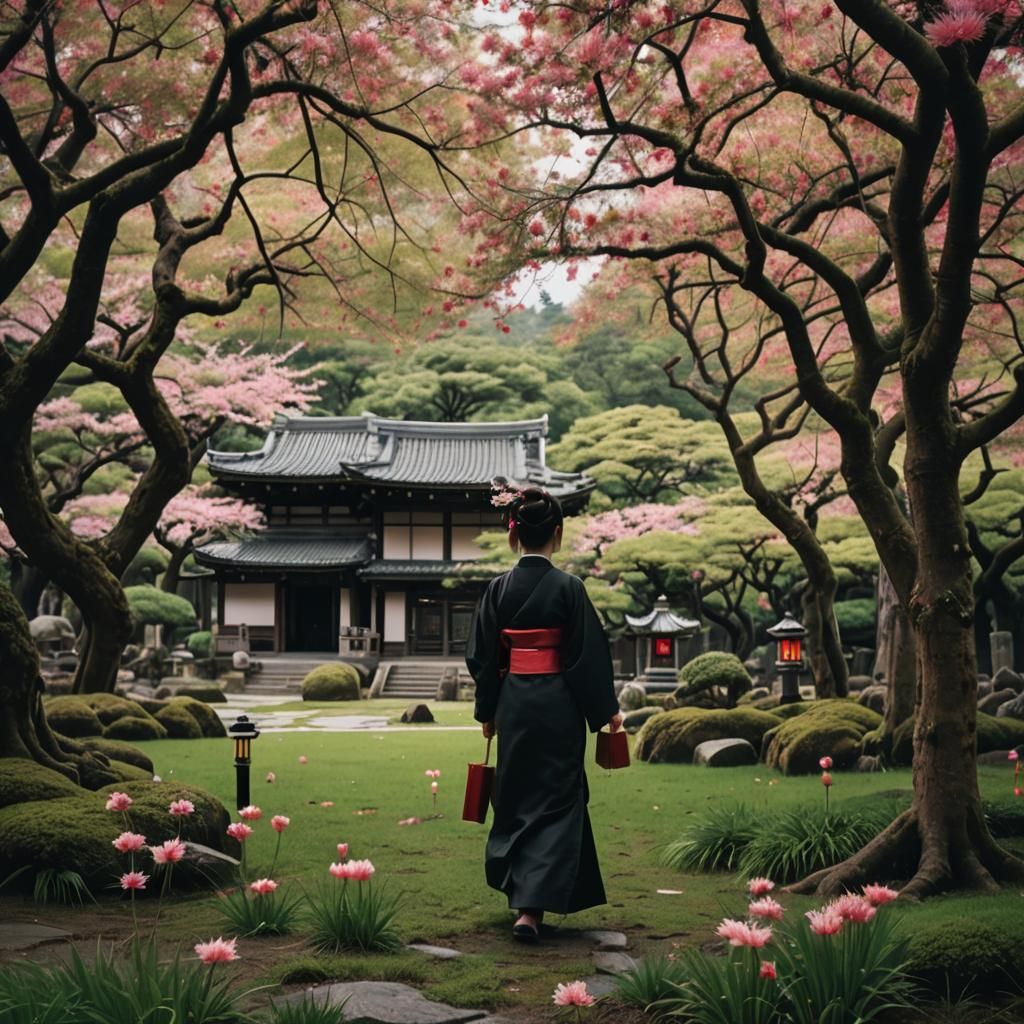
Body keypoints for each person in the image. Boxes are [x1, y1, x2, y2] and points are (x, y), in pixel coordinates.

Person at [465, 485, 623, 943]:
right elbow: (587, 657)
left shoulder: (497, 590)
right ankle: (531, 909)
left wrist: (488, 711)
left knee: (516, 797)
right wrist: (605, 711)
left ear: (514, 536)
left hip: (514, 703)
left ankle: (524, 903)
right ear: (557, 533)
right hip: (558, 705)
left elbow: (482, 658)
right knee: (557, 798)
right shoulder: (570, 588)